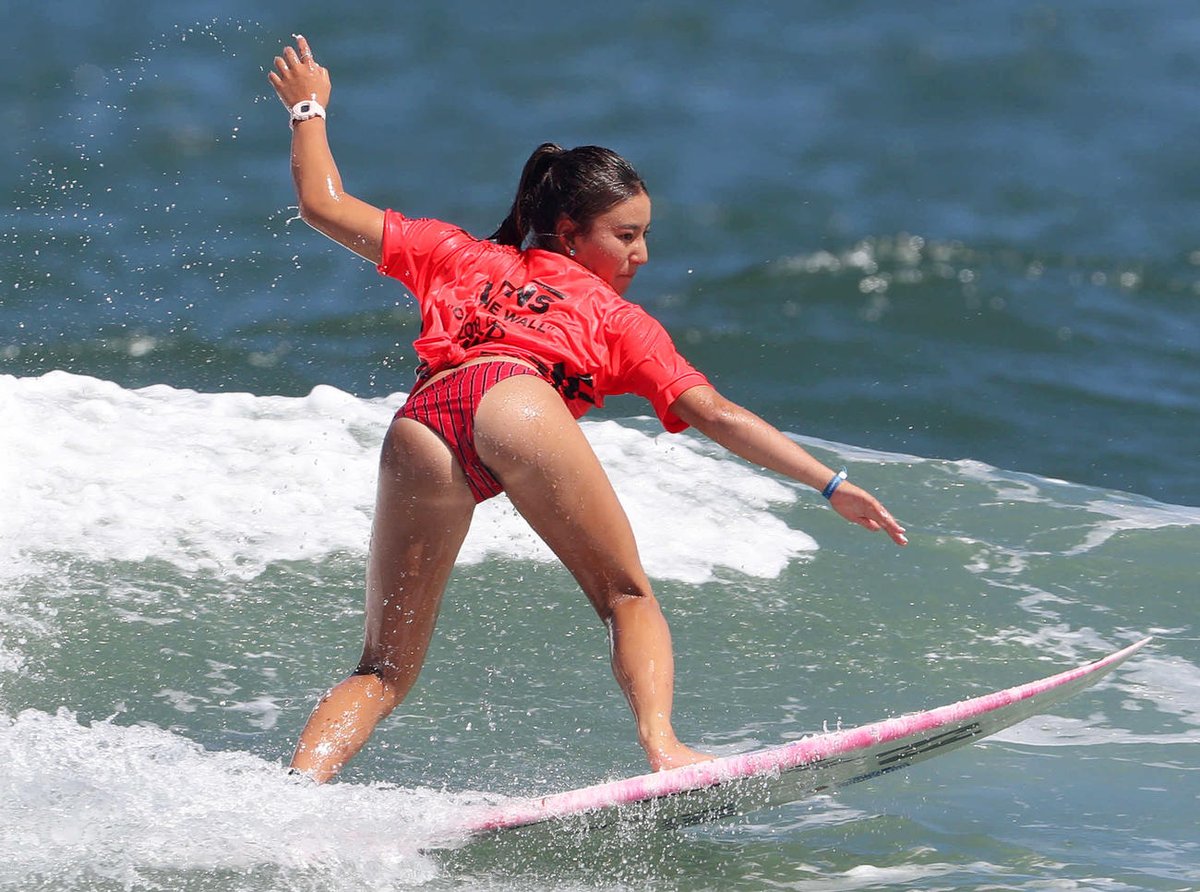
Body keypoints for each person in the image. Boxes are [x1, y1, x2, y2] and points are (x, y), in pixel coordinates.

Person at [268, 35, 907, 784]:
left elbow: (321, 204)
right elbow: (718, 414)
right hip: (515, 402)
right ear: (569, 233)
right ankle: (665, 749)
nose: (641, 255)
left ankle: (299, 790)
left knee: (382, 669)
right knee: (626, 595)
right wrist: (830, 483)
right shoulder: (617, 319)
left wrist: (307, 108)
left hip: (423, 423)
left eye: (645, 237)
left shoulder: (458, 254)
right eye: (626, 236)